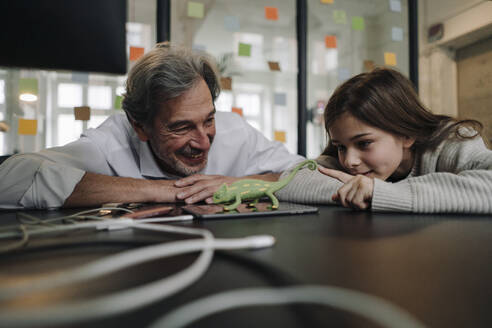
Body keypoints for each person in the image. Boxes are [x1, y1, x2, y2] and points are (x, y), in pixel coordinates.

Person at [0, 43, 304, 209]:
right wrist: (165, 190)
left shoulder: (236, 132)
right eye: (181, 127)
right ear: (140, 126)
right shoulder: (111, 143)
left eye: (208, 120)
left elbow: (310, 173)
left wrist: (238, 184)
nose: (203, 142)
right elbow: (11, 178)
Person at [276, 68, 492, 213]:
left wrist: (378, 193)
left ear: (406, 134)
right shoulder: (348, 163)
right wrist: (355, 190)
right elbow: (290, 181)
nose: (349, 161)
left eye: (364, 143)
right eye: (341, 146)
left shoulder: (451, 143)